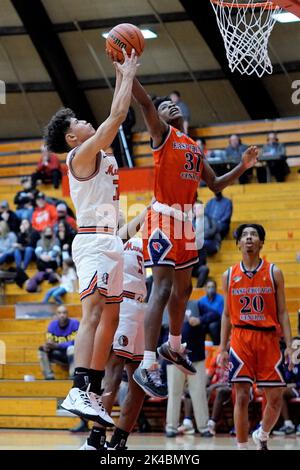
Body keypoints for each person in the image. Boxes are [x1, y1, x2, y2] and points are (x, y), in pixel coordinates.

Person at [131, 78, 259, 398]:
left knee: (185, 289)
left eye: (172, 105)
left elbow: (215, 185)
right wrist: (128, 71)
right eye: (163, 107)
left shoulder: (194, 147)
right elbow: (145, 104)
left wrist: (242, 166)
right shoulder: (162, 135)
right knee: (160, 288)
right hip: (163, 216)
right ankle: (147, 364)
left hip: (186, 222)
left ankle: (173, 346)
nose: (168, 107)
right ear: (158, 118)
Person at [43, 49, 139, 425]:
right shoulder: (79, 156)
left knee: (111, 320)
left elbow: (117, 117)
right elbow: (115, 116)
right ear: (72, 136)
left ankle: (93, 391)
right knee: (95, 313)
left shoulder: (100, 148)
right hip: (93, 242)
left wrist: (121, 77)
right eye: (80, 121)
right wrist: (128, 73)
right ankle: (78, 387)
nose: (87, 121)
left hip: (111, 241)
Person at [219, 223, 293, 450]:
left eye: (254, 235)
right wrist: (222, 347)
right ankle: (242, 446)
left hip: (269, 339)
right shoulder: (229, 274)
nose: (249, 238)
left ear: (261, 243)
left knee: (275, 398)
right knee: (240, 396)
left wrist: (289, 345)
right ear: (239, 243)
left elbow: (282, 312)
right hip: (241, 338)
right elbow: (226, 314)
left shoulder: (274, 272)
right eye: (244, 235)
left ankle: (262, 433)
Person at [80, 235, 147, 450]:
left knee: (128, 377)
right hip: (132, 305)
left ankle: (108, 439)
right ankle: (107, 439)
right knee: (125, 375)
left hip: (133, 307)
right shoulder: (121, 241)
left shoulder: (127, 241)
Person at [165, 309, 212, 438]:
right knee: (174, 393)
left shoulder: (197, 304)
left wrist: (200, 320)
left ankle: (204, 428)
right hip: (175, 358)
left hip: (196, 358)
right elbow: (162, 330)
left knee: (199, 393)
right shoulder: (169, 306)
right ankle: (171, 427)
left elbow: (215, 315)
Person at [38, 305, 79, 380]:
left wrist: (57, 346)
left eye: (64, 313)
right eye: (59, 313)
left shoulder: (74, 323)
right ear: (56, 315)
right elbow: (50, 340)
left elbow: (75, 342)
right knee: (42, 349)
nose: (62, 315)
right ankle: (49, 376)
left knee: (72, 348)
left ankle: (73, 375)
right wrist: (47, 345)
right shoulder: (52, 325)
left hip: (72, 355)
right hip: (58, 354)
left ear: (67, 314)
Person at [196, 279, 224, 345]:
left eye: (212, 287)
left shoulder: (221, 299)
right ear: (205, 289)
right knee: (200, 326)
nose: (211, 289)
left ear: (216, 288)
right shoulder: (201, 300)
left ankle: (217, 346)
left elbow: (219, 315)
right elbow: (200, 314)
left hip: (217, 323)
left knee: (213, 326)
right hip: (205, 322)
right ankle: (200, 347)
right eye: (208, 287)